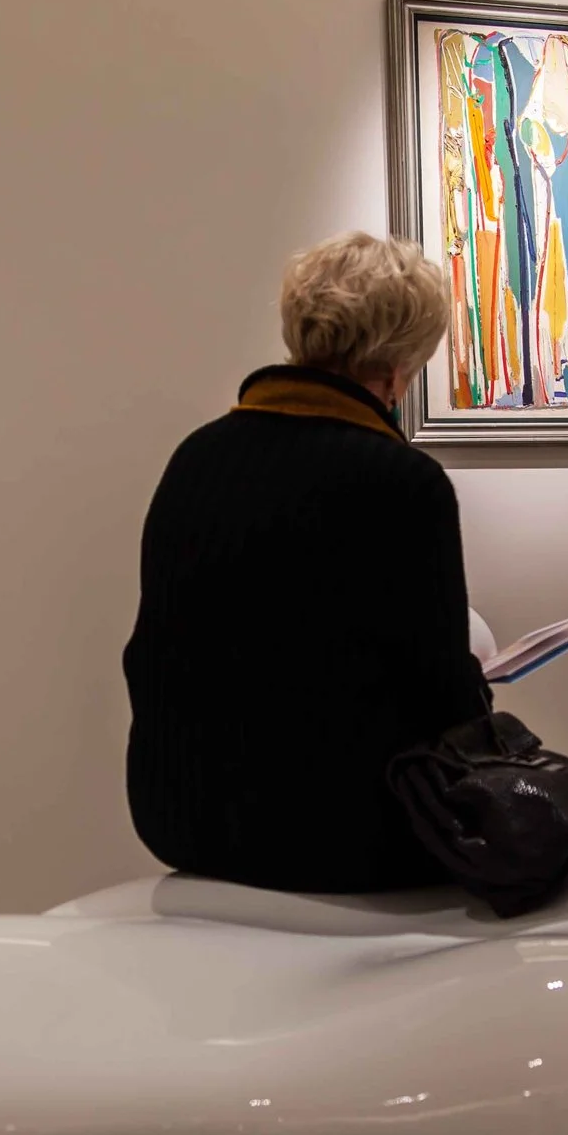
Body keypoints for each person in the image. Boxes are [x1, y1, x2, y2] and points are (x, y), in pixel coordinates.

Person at [123, 231, 492, 892]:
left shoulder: (197, 457)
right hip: (343, 837)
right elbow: (444, 697)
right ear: (397, 370)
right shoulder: (403, 482)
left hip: (178, 817)